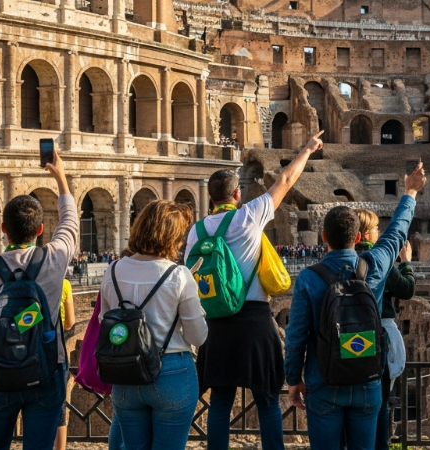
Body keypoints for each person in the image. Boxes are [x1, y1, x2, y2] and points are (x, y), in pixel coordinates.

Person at [189, 131, 326, 450]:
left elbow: (188, 278)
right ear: (237, 195)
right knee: (266, 400)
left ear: (211, 198)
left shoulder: (196, 232)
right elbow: (286, 180)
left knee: (220, 403)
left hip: (217, 324)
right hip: (255, 321)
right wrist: (307, 148)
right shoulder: (249, 216)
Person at [285, 162, 427, 450]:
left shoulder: (308, 279)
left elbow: (296, 335)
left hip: (323, 380)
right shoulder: (375, 264)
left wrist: (293, 379)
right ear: (359, 238)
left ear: (323, 238)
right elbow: (397, 231)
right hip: (367, 380)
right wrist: (410, 192)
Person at [0, 148, 79, 449]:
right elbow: (70, 223)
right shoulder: (55, 260)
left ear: (3, 230)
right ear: (41, 230)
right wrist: (61, 179)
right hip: (46, 370)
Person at [100, 200, 207, 450]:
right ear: (172, 237)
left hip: (126, 372)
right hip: (170, 371)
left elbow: (104, 321)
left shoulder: (113, 270)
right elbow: (198, 337)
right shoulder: (179, 275)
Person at [354, 209, 416, 450]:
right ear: (368, 232)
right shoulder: (379, 258)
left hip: (347, 337)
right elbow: (407, 289)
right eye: (378, 228)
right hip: (381, 334)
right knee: (380, 401)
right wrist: (406, 262)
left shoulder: (343, 257)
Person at [54, 277, 76, 450]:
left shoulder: (29, 278)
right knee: (59, 405)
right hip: (56, 353)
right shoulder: (64, 283)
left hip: (28, 354)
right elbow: (70, 323)